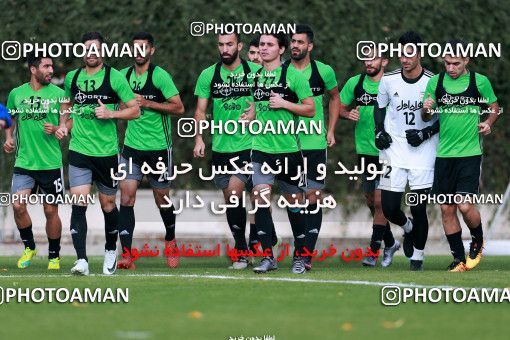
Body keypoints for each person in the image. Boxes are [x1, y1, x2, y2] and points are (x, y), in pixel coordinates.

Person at [55, 32, 140, 276]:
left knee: (108, 205)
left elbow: (135, 111)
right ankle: (81, 260)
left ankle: (110, 251)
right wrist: (64, 125)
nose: (90, 53)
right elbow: (67, 106)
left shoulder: (114, 78)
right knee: (78, 203)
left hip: (107, 153)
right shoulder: (72, 77)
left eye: (95, 49)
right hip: (79, 151)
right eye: (86, 49)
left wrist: (111, 114)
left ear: (103, 52)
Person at [422, 39, 500, 272]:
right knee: (447, 209)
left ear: (466, 60)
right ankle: (458, 259)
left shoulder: (479, 82)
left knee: (465, 206)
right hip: (444, 155)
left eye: (456, 63)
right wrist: (426, 108)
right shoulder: (436, 83)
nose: (451, 68)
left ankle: (477, 238)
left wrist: (488, 122)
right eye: (447, 63)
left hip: (470, 153)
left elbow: (494, 107)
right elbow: (427, 116)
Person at [193, 33, 262, 269]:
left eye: (229, 44)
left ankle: (247, 248)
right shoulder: (208, 75)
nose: (225, 48)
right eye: (221, 44)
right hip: (221, 147)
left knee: (236, 193)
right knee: (231, 201)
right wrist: (199, 138)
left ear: (239, 46)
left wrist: (256, 113)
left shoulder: (255, 72)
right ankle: (244, 246)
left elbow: (270, 103)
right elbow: (201, 111)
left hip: (249, 144)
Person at [117, 32, 185, 270]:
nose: (138, 51)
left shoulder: (160, 76)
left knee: (162, 199)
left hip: (158, 148)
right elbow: (117, 103)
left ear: (151, 50)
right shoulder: (123, 76)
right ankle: (126, 254)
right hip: (131, 147)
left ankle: (170, 241)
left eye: (143, 47)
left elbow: (178, 107)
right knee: (126, 197)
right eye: (134, 47)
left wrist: (147, 103)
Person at [250, 33, 315, 274]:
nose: (264, 49)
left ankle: (300, 255)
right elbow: (257, 107)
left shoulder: (294, 77)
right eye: (261, 45)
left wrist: (285, 104)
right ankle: (268, 256)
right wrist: (250, 116)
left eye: (269, 45)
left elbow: (310, 109)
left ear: (281, 50)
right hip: (261, 149)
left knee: (295, 205)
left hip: (288, 151)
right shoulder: (255, 77)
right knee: (260, 200)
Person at [375, 31, 438, 271]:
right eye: (401, 53)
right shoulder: (388, 80)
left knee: (418, 206)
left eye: (409, 53)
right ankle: (408, 228)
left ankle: (417, 259)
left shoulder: (433, 81)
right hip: (395, 150)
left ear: (419, 54)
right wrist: (379, 131)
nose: (404, 58)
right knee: (389, 207)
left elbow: (444, 118)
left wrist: (425, 133)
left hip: (424, 151)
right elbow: (379, 107)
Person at [336, 47, 400, 267]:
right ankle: (390, 241)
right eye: (365, 58)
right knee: (371, 201)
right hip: (365, 149)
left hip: (389, 151)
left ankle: (373, 250)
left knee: (381, 201)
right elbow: (339, 106)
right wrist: (346, 113)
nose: (368, 62)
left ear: (384, 60)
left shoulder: (393, 83)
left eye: (373, 58)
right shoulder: (356, 82)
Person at [3, 53, 66, 270]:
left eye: (52, 66)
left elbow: (69, 120)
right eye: (46, 66)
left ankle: (54, 255)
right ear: (33, 69)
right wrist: (9, 138)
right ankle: (29, 246)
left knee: (51, 211)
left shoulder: (59, 94)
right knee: (18, 205)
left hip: (50, 163)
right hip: (24, 162)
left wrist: (59, 128)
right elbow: (9, 119)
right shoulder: (17, 94)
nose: (51, 70)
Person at [287, 24, 340, 271]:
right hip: (285, 146)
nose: (295, 45)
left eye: (300, 42)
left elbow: (335, 97)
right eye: (293, 41)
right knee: (293, 201)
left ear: (310, 46)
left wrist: (330, 129)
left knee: (313, 197)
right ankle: (300, 249)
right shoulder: (281, 71)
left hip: (315, 143)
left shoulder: (323, 71)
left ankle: (304, 255)